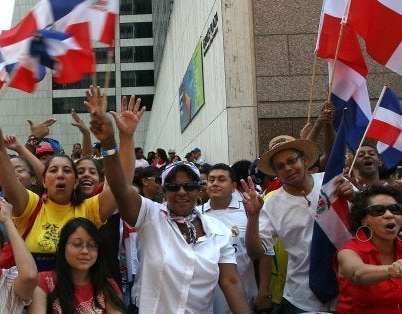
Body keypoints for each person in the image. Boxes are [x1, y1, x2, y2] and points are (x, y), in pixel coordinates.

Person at [86, 88, 250, 313]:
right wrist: (112, 142)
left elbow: (230, 282)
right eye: (173, 186)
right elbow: (120, 189)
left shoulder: (218, 232)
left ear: (198, 189)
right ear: (163, 190)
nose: (181, 191)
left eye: (189, 185)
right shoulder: (150, 216)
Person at [0, 90, 138, 271]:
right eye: (53, 170)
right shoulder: (31, 206)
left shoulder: (90, 208)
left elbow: (122, 187)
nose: (60, 174)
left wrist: (126, 137)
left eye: (67, 170)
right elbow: (7, 179)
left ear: (75, 182)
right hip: (34, 297)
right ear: (43, 181)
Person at [244, 136, 354, 312]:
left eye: (291, 161)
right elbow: (255, 252)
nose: (287, 168)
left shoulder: (331, 182)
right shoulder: (271, 204)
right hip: (302, 299)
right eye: (280, 166)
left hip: (351, 290)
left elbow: (370, 215)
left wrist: (354, 196)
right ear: (275, 173)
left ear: (304, 160)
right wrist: (253, 217)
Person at [29, 218, 125, 314]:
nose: (85, 251)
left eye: (92, 245)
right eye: (77, 244)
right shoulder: (44, 281)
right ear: (63, 247)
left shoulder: (108, 286)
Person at [198, 163, 257, 313]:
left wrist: (263, 292)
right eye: (211, 180)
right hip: (207, 299)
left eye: (221, 179)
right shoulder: (196, 215)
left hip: (243, 293)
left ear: (233, 186)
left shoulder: (248, 210)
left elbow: (262, 254)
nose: (215, 184)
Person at [335, 185, 402, 313]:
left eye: (395, 209)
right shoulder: (348, 251)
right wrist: (391, 270)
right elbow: (358, 274)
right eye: (378, 210)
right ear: (364, 220)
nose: (389, 215)